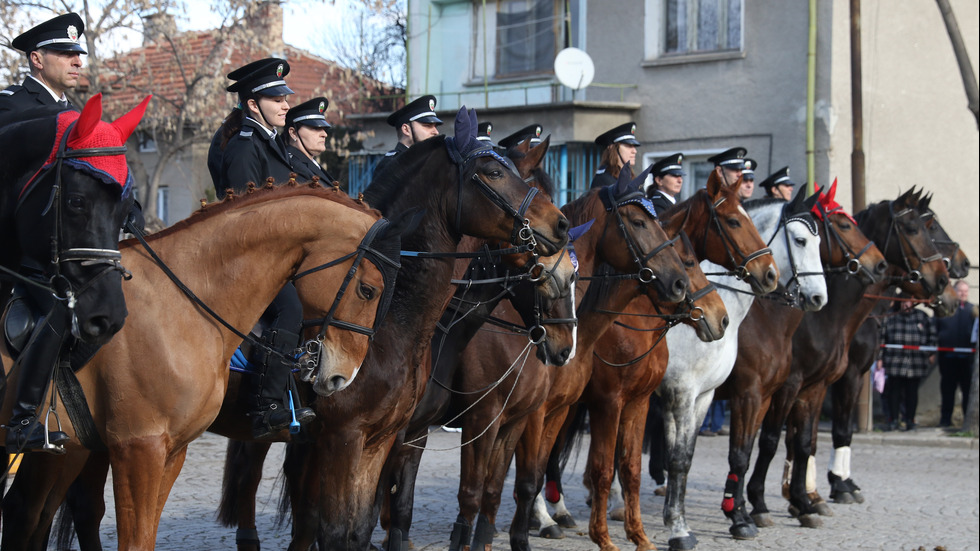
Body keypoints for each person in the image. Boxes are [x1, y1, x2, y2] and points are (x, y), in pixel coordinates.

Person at [208, 58, 315, 438]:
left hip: (278, 254)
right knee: (289, 309)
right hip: (251, 257)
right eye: (277, 99)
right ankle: (266, 405)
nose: (286, 105)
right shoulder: (244, 147)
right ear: (253, 104)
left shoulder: (269, 142)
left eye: (285, 98)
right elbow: (246, 216)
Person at [0, 12, 86, 112]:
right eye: (66, 54)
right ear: (37, 60)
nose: (79, 62)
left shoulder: (72, 110)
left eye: (78, 55)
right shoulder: (9, 105)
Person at [878, 295, 937, 431]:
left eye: (909, 302)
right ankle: (893, 420)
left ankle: (910, 420)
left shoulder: (922, 316)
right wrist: (879, 358)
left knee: (912, 393)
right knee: (894, 392)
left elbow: (932, 336)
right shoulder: (891, 317)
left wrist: (931, 352)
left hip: (915, 362)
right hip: (895, 361)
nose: (906, 305)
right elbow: (881, 338)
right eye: (904, 302)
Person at [935, 280, 977, 427]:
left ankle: (967, 421)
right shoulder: (946, 309)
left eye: (966, 291)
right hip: (948, 358)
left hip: (967, 360)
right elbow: (936, 328)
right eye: (960, 291)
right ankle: (945, 420)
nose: (963, 294)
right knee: (947, 391)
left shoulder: (974, 311)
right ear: (955, 291)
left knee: (967, 391)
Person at [372, 94, 442, 180]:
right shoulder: (392, 165)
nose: (436, 132)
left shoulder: (428, 161)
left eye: (435, 126)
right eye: (427, 126)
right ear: (406, 129)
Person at [284, 96, 336, 184]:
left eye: (324, 129)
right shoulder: (294, 167)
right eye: (315, 128)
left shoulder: (308, 164)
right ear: (293, 133)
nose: (324, 134)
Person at [589, 122, 640, 189]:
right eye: (629, 146)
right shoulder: (603, 180)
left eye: (634, 146)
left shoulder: (632, 178)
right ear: (613, 148)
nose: (634, 151)